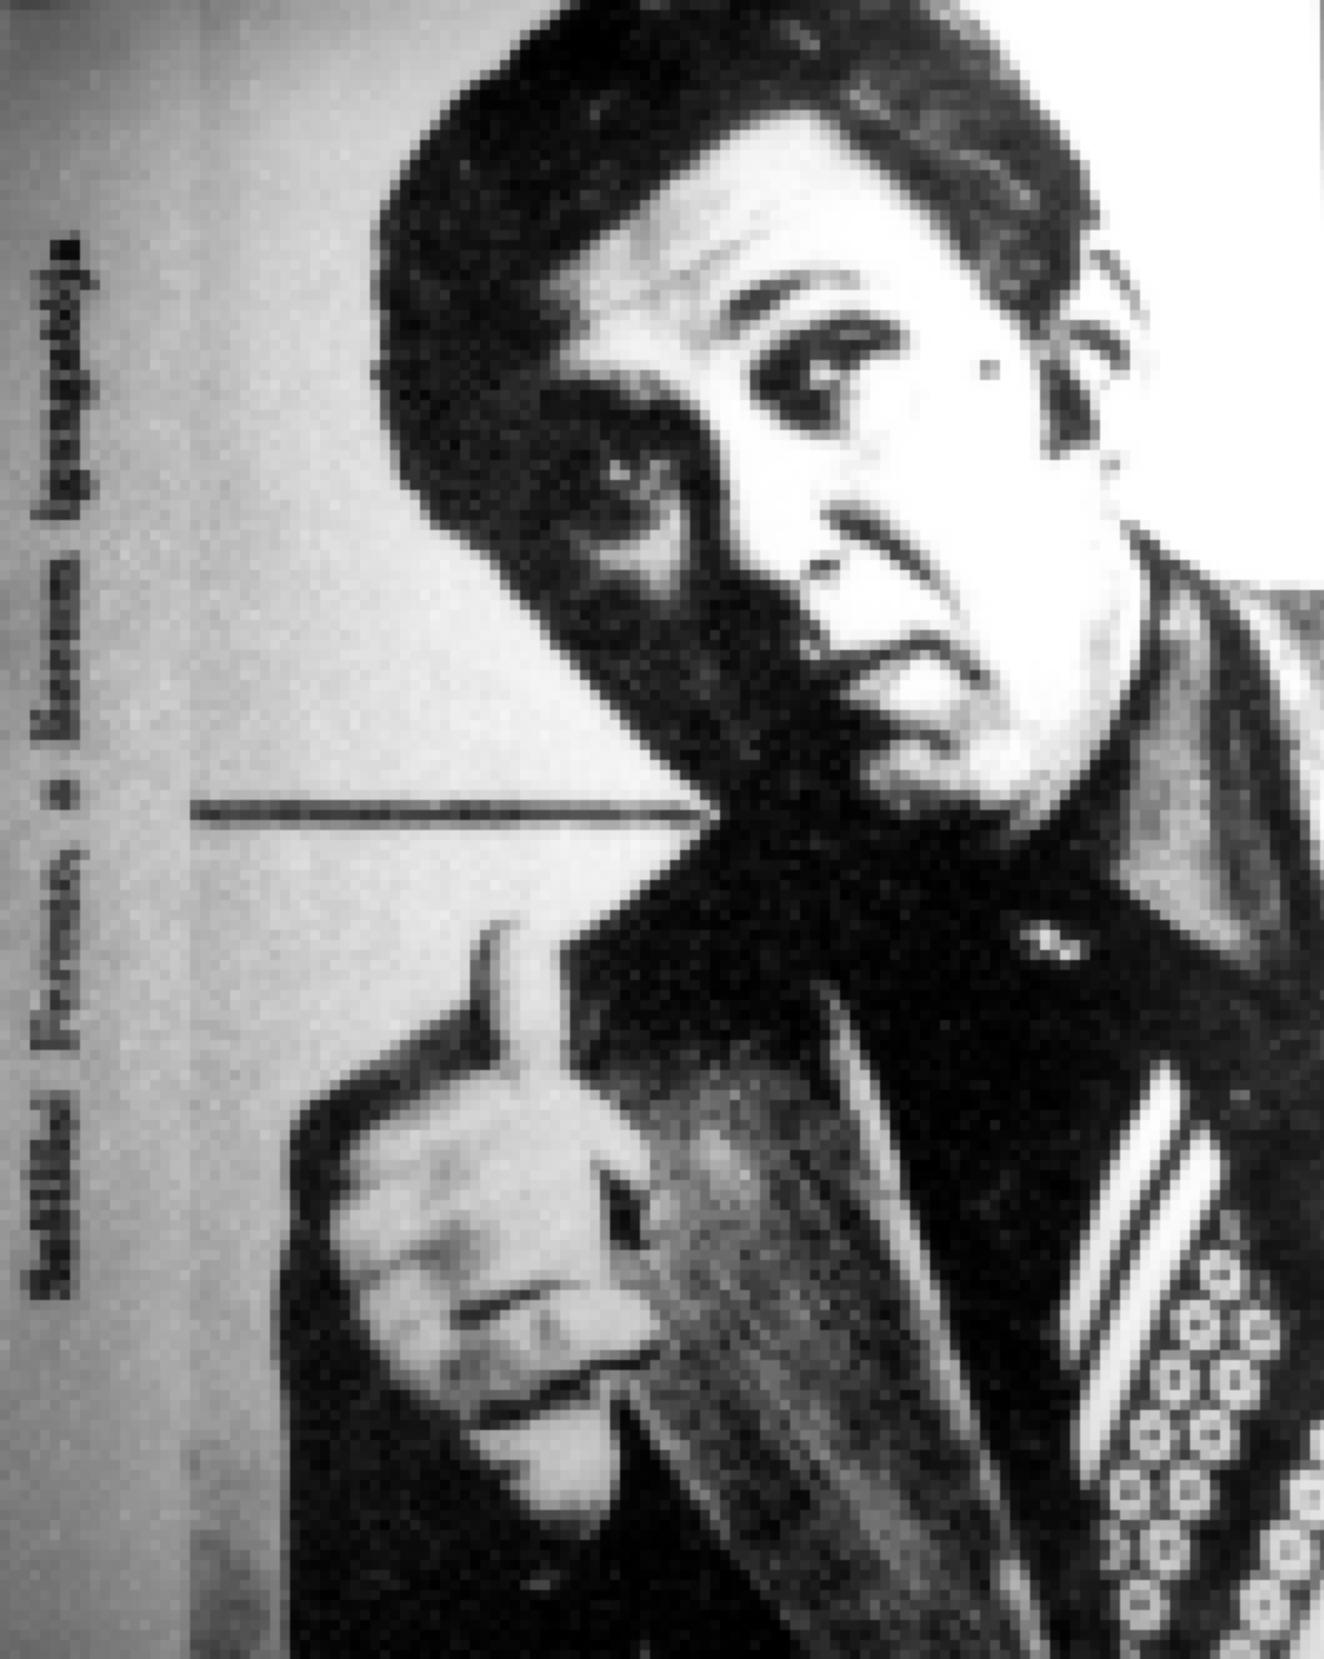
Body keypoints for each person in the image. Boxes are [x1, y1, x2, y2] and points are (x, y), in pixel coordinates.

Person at [280, 3, 1324, 1654]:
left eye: (826, 370)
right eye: (617, 479)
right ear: (548, 603)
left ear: (1081, 365)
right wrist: (490, 1559)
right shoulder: (468, 1214)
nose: (765, 547)